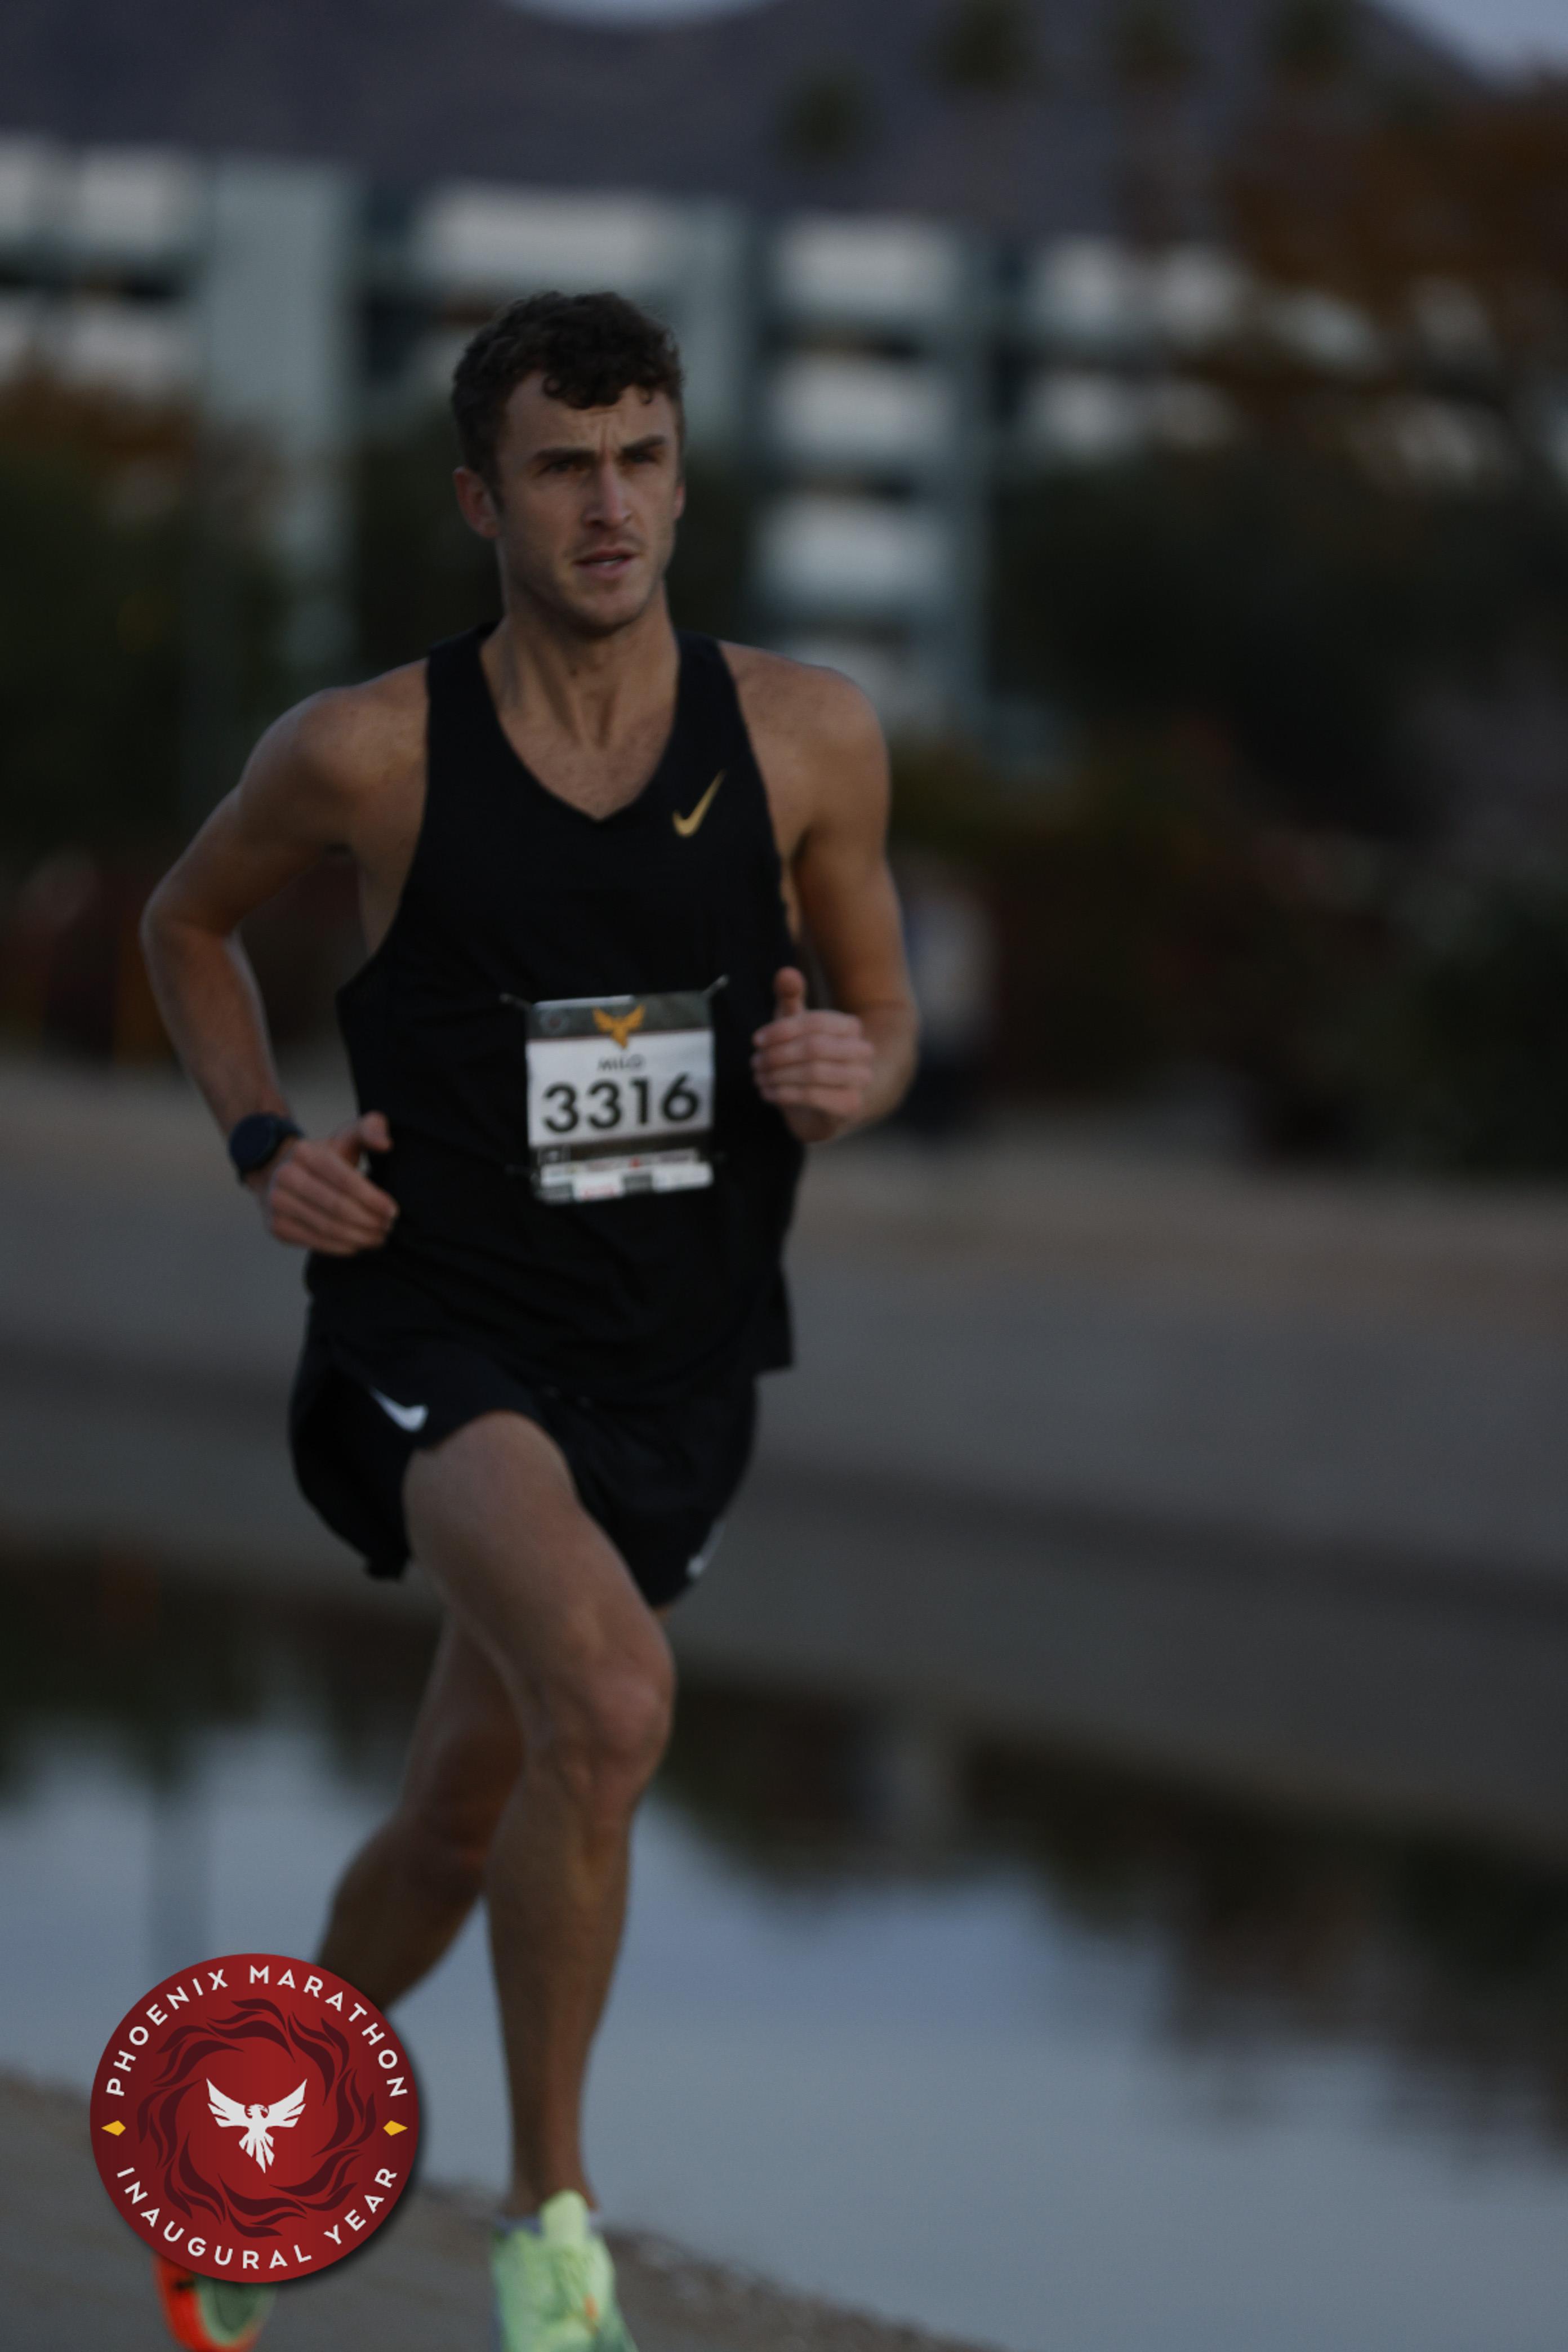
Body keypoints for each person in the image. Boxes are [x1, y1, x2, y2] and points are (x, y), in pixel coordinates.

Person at [140, 289, 917, 2352]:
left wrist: (851, 1073)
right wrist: (261, 1142)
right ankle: (549, 2234)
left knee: (458, 1819)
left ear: (684, 477)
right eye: (564, 467)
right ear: (483, 498)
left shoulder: (810, 736)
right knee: (616, 1703)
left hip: (682, 1354)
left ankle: (241, 2151)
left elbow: (886, 1013)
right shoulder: (366, 751)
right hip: (437, 1325)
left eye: (642, 458)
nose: (610, 505)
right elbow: (184, 920)